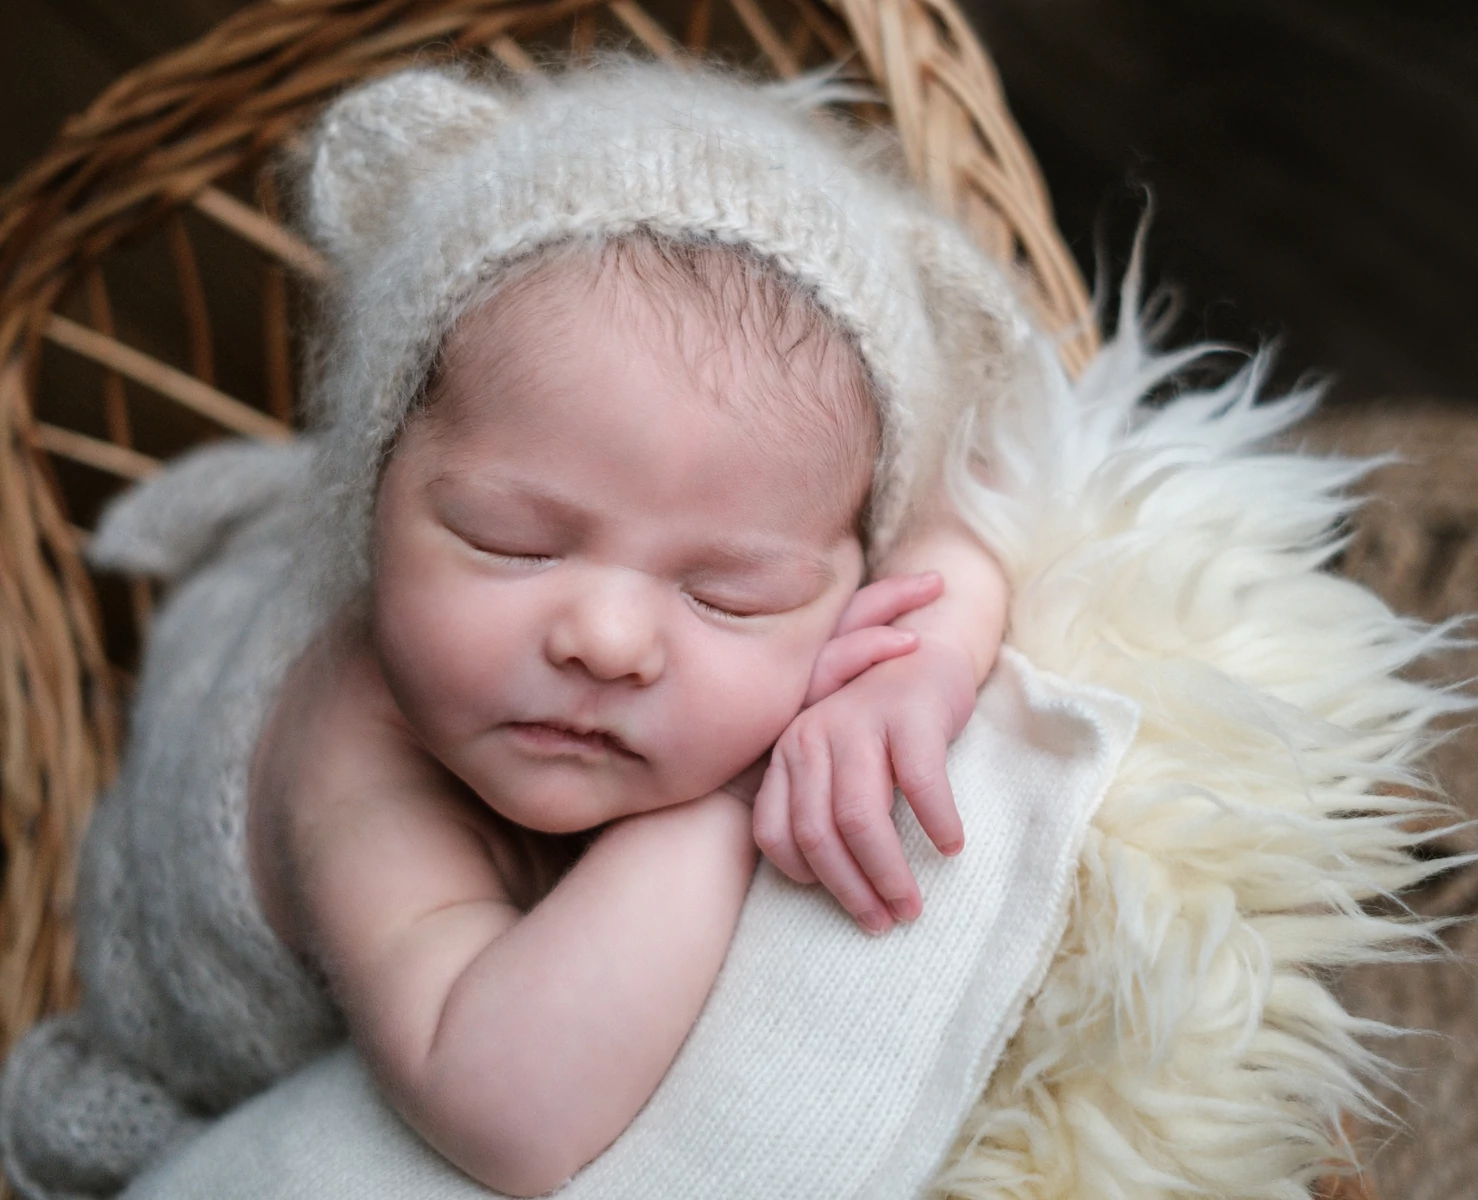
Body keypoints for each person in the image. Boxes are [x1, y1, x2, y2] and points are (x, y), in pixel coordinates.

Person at [1, 60, 1046, 1200]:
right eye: (510, 539)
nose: (606, 637)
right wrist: (728, 803)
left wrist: (926, 655)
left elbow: (985, 484)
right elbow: (506, 1108)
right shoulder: (357, 759)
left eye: (730, 595)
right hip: (196, 906)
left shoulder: (797, 534)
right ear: (375, 493)